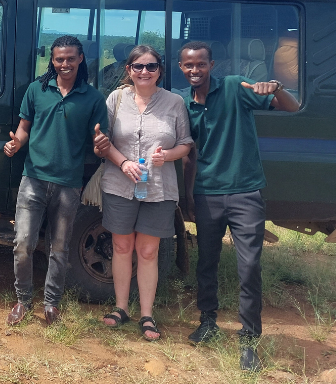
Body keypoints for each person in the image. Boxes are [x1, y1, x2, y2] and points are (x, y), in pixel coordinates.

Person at [177, 41, 299, 371]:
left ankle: (248, 342)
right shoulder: (184, 104)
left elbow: (290, 106)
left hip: (245, 193)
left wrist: (276, 87)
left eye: (200, 64)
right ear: (180, 67)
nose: (194, 70)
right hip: (206, 194)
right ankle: (208, 322)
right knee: (207, 262)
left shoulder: (233, 87)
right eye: (188, 65)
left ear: (211, 65)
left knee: (249, 269)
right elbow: (190, 155)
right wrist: (188, 197)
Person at [4, 35, 110, 326]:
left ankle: (51, 305)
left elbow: (99, 140)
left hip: (68, 183)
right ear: (52, 60)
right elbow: (24, 128)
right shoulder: (36, 90)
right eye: (59, 59)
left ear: (80, 60)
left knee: (59, 248)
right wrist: (15, 144)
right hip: (34, 178)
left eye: (70, 58)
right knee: (23, 243)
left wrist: (101, 142)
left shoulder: (92, 98)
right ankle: (23, 300)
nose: (64, 64)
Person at [97, 45, 192, 341]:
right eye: (138, 66)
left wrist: (169, 156)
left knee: (148, 251)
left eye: (151, 67)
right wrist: (123, 162)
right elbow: (104, 139)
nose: (144, 72)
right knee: (122, 247)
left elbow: (186, 143)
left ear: (160, 71)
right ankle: (121, 307)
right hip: (119, 184)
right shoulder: (116, 98)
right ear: (128, 70)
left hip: (159, 189)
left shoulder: (175, 102)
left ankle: (147, 315)